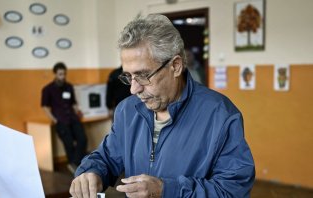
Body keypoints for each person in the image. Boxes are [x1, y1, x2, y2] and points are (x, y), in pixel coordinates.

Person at [69, 14, 255, 197]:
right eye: (128, 76)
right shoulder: (127, 110)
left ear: (175, 66)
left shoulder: (220, 115)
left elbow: (232, 191)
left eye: (143, 75)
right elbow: (108, 157)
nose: (134, 89)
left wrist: (166, 191)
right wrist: (92, 172)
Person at [41, 62, 87, 173]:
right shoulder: (47, 89)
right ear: (55, 74)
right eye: (60, 74)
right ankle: (75, 168)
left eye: (64, 74)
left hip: (73, 118)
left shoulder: (69, 87)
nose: (63, 76)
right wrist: (55, 120)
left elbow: (73, 103)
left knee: (83, 139)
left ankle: (74, 164)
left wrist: (78, 111)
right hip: (61, 121)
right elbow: (44, 107)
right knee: (69, 144)